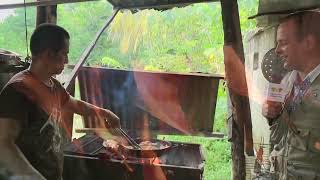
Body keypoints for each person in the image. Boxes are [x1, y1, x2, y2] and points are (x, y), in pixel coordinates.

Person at [0, 24, 120, 180]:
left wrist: (104, 113)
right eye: (65, 54)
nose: (67, 60)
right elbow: (3, 144)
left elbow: (74, 104)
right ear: (49, 54)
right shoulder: (19, 90)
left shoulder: (53, 85)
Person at [262, 10, 320, 179]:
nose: (277, 50)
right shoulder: (287, 82)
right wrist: (272, 116)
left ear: (308, 43)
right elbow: (280, 138)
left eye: (283, 43)